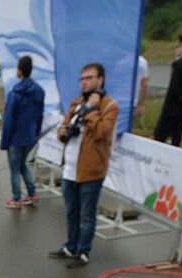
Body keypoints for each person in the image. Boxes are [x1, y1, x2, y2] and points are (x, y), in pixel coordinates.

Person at [50, 63, 117, 267]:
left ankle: (83, 251)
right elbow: (64, 127)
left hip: (91, 171)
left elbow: (101, 133)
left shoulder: (109, 106)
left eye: (89, 78)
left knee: (87, 215)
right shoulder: (76, 102)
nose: (84, 82)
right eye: (82, 79)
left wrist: (93, 109)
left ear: (101, 79)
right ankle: (71, 246)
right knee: (71, 212)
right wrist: (62, 132)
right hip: (70, 168)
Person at [0, 54, 45, 209]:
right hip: (30, 135)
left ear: (19, 70)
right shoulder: (39, 91)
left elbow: (9, 120)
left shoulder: (15, 94)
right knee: (22, 164)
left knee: (14, 168)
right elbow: (40, 115)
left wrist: (5, 141)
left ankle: (16, 198)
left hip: (16, 137)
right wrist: (36, 134)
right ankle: (32, 193)